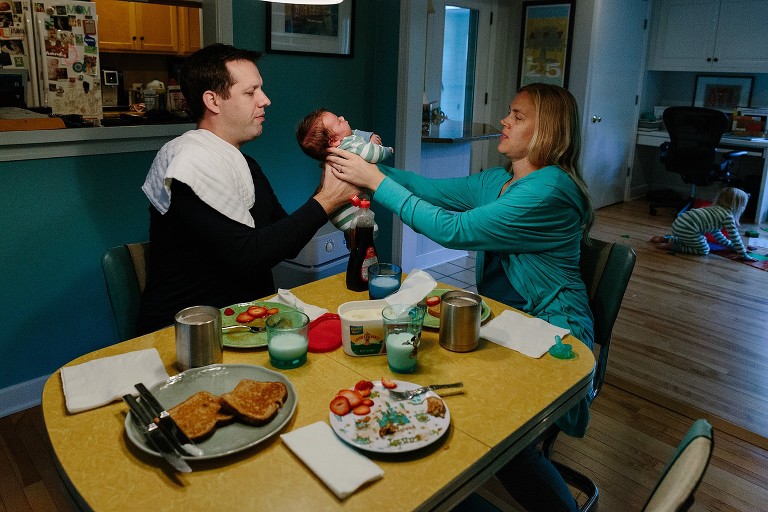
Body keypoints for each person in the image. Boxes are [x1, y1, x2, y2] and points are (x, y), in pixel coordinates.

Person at [327, 83, 595, 512]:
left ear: (548, 130)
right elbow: (428, 189)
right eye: (509, 112)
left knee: (513, 440)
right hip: (506, 320)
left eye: (518, 116)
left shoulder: (550, 190)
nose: (505, 121)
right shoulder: (501, 182)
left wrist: (375, 180)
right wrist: (360, 166)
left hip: (553, 329)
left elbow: (453, 230)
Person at [136, 44, 359, 334]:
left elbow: (285, 237)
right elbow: (248, 257)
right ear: (213, 101)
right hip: (188, 334)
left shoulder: (244, 163)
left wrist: (328, 190)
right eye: (251, 92)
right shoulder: (188, 164)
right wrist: (327, 200)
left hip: (245, 322)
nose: (265, 100)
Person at [296, 107, 393, 234]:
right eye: (339, 121)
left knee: (356, 238)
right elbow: (372, 153)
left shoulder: (330, 154)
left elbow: (352, 132)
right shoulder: (349, 143)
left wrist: (368, 136)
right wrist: (386, 150)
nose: (342, 117)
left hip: (337, 212)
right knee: (369, 233)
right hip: (350, 206)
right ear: (334, 141)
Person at [650, 187, 756, 261]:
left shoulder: (716, 210)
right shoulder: (727, 216)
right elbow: (735, 237)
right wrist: (743, 253)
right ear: (738, 207)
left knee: (694, 239)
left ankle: (667, 238)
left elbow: (717, 235)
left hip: (680, 223)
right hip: (688, 228)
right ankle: (673, 246)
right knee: (704, 249)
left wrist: (733, 247)